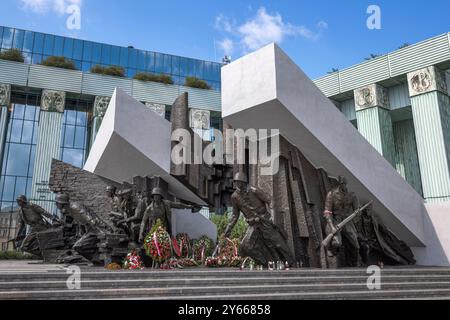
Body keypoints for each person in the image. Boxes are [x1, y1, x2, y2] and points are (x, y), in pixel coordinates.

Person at [224, 173, 294, 266]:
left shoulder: (254, 190)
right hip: (253, 225)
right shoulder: (235, 197)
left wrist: (273, 216)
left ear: (244, 182)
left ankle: (291, 262)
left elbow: (269, 200)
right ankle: (269, 263)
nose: (237, 184)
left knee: (278, 243)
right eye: (236, 182)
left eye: (239, 182)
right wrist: (228, 228)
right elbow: (234, 216)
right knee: (246, 246)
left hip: (264, 220)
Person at [323, 176, 362, 267]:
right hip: (336, 220)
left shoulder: (352, 195)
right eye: (341, 184)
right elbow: (327, 212)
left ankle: (353, 265)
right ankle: (332, 250)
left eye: (344, 184)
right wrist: (332, 227)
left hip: (347, 221)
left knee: (356, 246)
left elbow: (357, 211)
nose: (343, 185)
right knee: (336, 243)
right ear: (339, 183)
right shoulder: (331, 194)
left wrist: (357, 213)